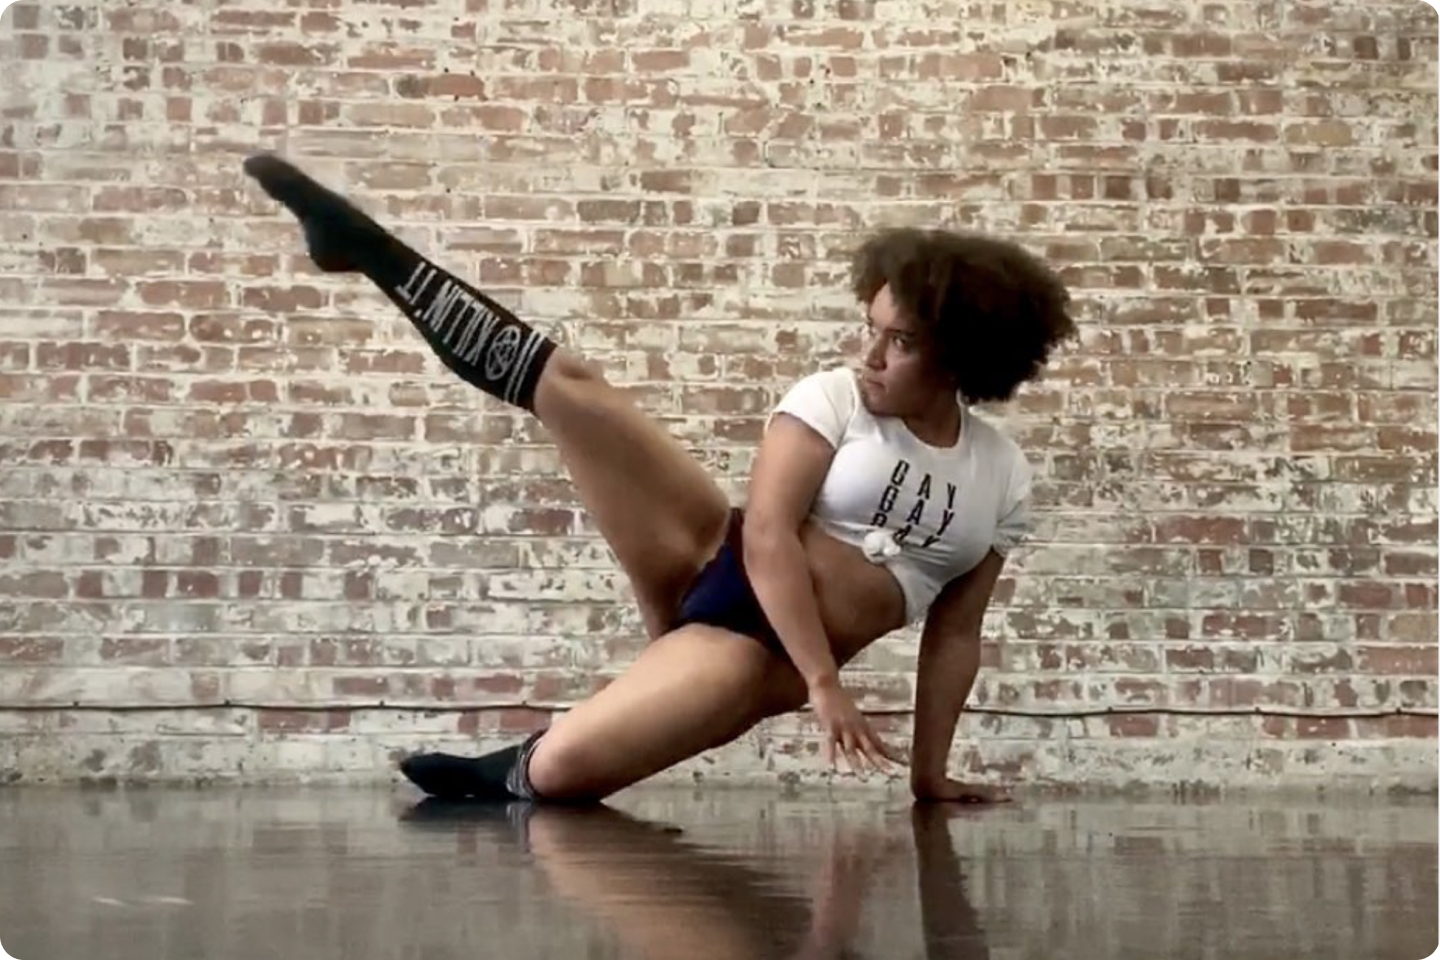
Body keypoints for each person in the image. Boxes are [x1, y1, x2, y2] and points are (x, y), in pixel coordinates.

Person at [241, 153, 1077, 805]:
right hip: (715, 554)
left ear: (964, 356)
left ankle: (513, 766)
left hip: (751, 653)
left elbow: (956, 634)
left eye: (899, 341)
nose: (870, 353)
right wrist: (830, 687)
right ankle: (369, 252)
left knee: (564, 771)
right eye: (870, 328)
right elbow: (765, 532)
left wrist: (928, 772)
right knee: (571, 386)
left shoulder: (999, 474)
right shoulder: (833, 398)